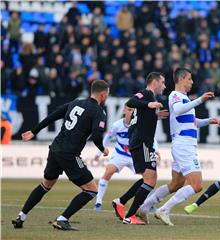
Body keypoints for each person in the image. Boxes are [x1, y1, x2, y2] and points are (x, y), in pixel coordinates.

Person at [11, 80, 110, 231]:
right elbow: (97, 135)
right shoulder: (98, 112)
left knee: (45, 185)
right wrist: (103, 149)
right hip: (69, 154)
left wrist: (34, 131)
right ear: (103, 95)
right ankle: (62, 219)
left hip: (55, 149)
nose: (107, 98)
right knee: (91, 190)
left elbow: (54, 115)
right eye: (107, 95)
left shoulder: (76, 103)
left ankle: (20, 217)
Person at [138, 67, 220, 226]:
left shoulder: (184, 98)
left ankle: (144, 208)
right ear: (182, 79)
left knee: (176, 184)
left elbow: (191, 122)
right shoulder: (175, 96)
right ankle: (164, 210)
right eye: (190, 79)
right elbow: (177, 110)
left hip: (184, 144)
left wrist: (208, 121)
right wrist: (199, 100)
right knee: (197, 185)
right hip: (184, 145)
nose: (192, 82)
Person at [112, 72, 168, 225]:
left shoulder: (149, 97)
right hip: (142, 142)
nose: (164, 85)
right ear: (154, 82)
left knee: (147, 180)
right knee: (151, 181)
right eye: (162, 82)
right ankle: (130, 216)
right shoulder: (146, 94)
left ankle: (121, 201)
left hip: (140, 141)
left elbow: (139, 118)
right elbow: (131, 101)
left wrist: (155, 115)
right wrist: (149, 105)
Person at [93, 104, 160, 211]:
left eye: (133, 110)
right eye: (129, 110)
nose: (131, 112)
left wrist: (156, 150)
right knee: (108, 171)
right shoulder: (117, 125)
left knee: (149, 178)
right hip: (120, 154)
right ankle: (98, 202)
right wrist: (99, 152)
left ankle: (149, 204)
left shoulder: (139, 124)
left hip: (135, 155)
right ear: (124, 110)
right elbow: (107, 138)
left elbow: (150, 137)